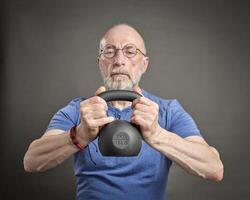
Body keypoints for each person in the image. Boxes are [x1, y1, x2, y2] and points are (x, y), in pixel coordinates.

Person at [23, 24, 224, 200]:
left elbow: (214, 168)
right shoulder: (80, 110)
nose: (119, 60)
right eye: (109, 51)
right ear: (100, 62)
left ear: (144, 64)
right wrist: (80, 134)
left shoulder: (167, 110)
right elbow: (31, 161)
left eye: (130, 51)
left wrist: (157, 135)